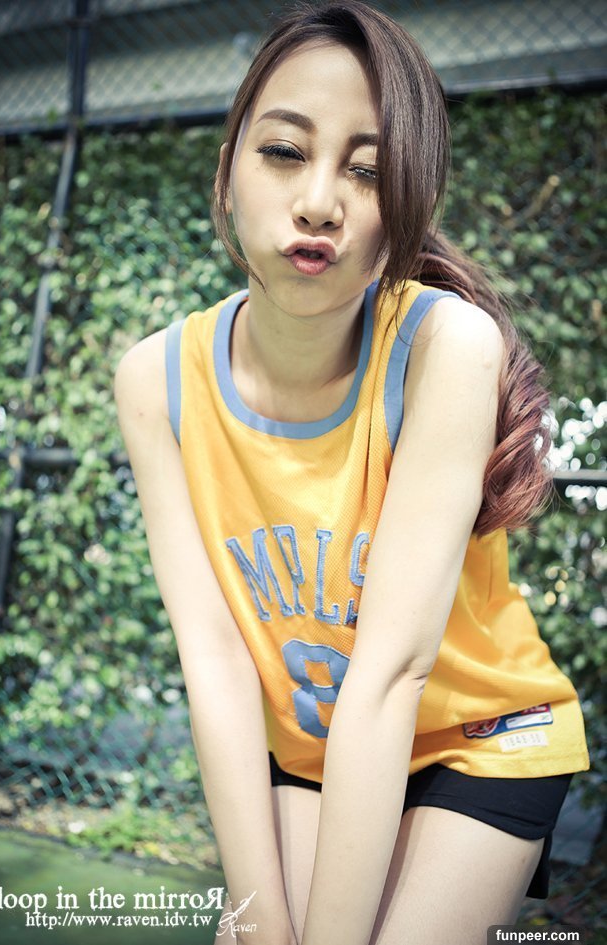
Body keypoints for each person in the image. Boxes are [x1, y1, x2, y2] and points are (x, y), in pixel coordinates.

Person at [114, 3, 590, 943]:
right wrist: (256, 918)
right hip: (316, 745)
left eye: (367, 171)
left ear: (403, 209)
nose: (320, 201)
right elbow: (215, 660)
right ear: (227, 172)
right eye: (284, 152)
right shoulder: (155, 381)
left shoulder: (447, 347)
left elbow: (393, 672)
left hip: (479, 737)